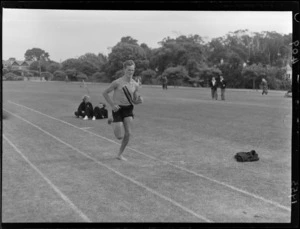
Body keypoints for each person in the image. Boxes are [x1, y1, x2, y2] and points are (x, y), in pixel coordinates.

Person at [102, 60, 143, 161]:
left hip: (128, 109)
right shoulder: (117, 82)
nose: (131, 72)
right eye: (129, 70)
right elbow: (105, 93)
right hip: (118, 108)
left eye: (132, 70)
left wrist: (139, 101)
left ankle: (119, 154)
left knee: (128, 133)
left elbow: (133, 100)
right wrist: (112, 105)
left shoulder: (135, 84)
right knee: (119, 136)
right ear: (124, 69)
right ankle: (112, 121)